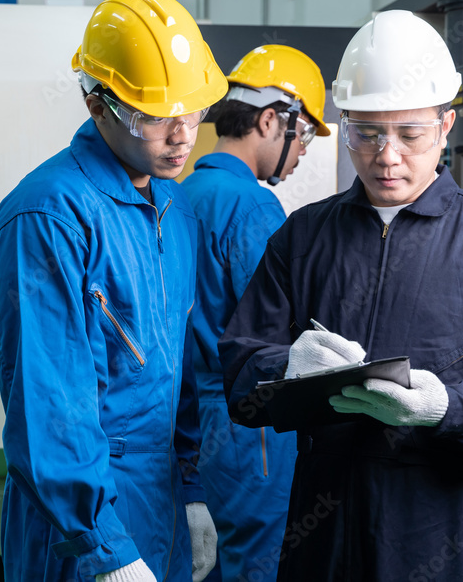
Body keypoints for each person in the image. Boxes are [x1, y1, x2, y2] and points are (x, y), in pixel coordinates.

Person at [219, 10, 463, 580]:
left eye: (409, 134)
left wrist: (447, 407)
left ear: (446, 126)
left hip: (435, 533)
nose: (386, 155)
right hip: (322, 532)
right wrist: (285, 366)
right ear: (344, 126)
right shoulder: (303, 237)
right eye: (366, 133)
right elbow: (238, 369)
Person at [0, 0, 226, 581]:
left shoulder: (173, 207)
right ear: (97, 104)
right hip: (75, 528)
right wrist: (104, 551)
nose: (181, 135)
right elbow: (49, 407)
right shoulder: (47, 217)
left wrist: (191, 488)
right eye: (154, 115)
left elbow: (184, 369)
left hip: (159, 498)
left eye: (192, 110)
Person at [180, 44, 329, 581]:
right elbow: (282, 326)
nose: (304, 152)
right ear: (270, 120)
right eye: (305, 134)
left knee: (216, 564)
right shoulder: (251, 205)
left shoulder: (183, 193)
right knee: (259, 567)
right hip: (251, 428)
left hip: (191, 425)